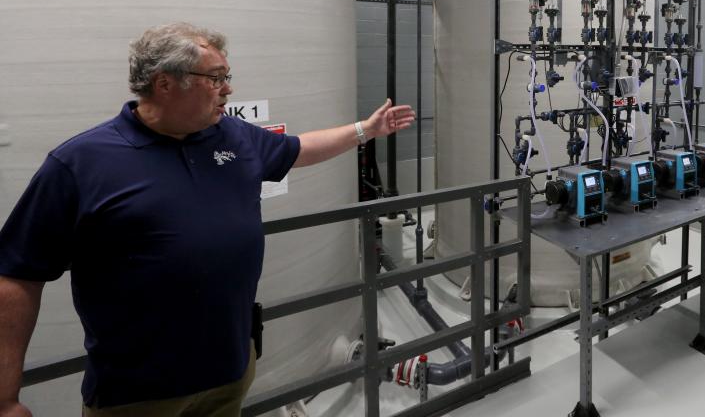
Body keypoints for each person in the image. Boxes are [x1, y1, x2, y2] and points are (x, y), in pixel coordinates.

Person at [0, 23, 416, 417]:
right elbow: (17, 276)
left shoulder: (233, 135)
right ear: (165, 83)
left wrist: (365, 129)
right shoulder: (80, 163)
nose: (228, 89)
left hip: (229, 373)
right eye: (215, 78)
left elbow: (298, 149)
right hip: (139, 393)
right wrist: (5, 398)